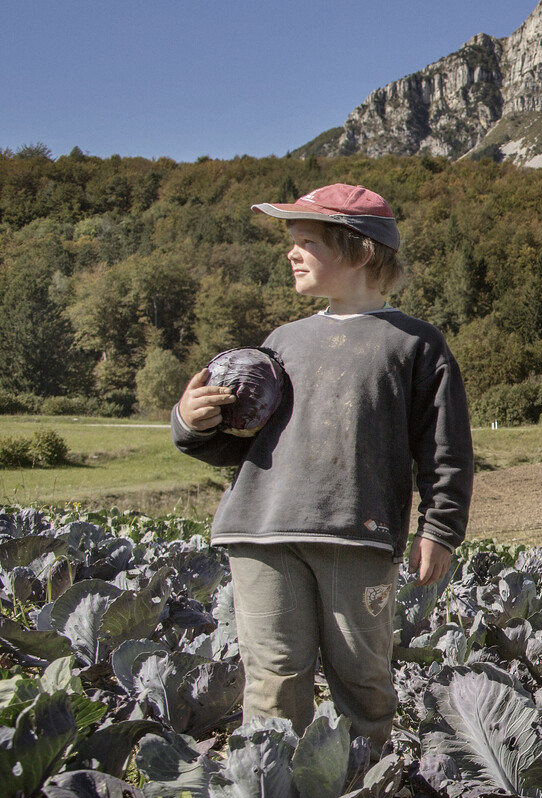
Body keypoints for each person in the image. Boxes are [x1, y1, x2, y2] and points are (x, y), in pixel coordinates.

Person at [172, 183, 474, 748]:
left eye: (307, 241)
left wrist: (441, 528)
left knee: (363, 680)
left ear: (360, 251)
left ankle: (364, 784)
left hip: (355, 537)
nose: (291, 253)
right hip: (260, 531)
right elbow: (240, 443)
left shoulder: (416, 345)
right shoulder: (282, 342)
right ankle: (271, 788)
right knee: (273, 681)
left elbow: (446, 449)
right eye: (292, 241)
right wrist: (193, 421)